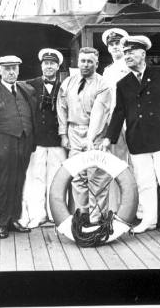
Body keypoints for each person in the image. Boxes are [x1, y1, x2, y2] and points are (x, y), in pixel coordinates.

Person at [100, 35, 160, 240]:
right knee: (144, 182)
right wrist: (108, 138)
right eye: (125, 52)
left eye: (131, 52)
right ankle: (148, 220)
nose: (127, 56)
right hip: (138, 139)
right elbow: (118, 113)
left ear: (143, 54)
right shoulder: (123, 83)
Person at [0, 55, 36, 239]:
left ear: (19, 69)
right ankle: (2, 222)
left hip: (24, 141)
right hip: (3, 143)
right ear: (0, 71)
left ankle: (14, 219)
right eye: (7, 69)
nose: (11, 72)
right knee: (3, 182)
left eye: (14, 68)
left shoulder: (26, 89)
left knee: (18, 180)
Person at [57, 47, 112, 224]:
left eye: (90, 61)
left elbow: (98, 113)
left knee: (96, 178)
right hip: (74, 132)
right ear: (77, 62)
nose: (86, 64)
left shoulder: (102, 85)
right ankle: (83, 217)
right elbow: (62, 110)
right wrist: (63, 134)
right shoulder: (68, 83)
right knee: (78, 177)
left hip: (94, 134)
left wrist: (90, 139)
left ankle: (98, 220)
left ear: (97, 63)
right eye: (83, 61)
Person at [18, 48, 66, 228]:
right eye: (46, 63)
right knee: (36, 177)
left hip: (57, 140)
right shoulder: (30, 85)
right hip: (36, 140)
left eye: (52, 64)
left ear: (58, 66)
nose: (49, 67)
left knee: (56, 177)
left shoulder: (65, 85)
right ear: (41, 65)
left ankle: (56, 214)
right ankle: (37, 215)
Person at [101, 28, 132, 213]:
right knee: (118, 163)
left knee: (135, 162)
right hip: (114, 121)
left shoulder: (129, 66)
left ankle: (137, 208)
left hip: (131, 119)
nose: (115, 47)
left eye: (118, 43)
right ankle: (120, 206)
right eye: (111, 44)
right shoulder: (107, 71)